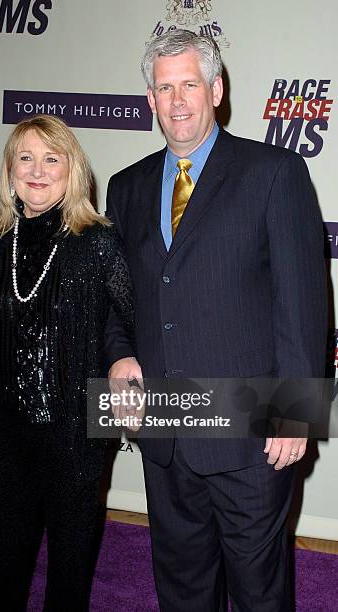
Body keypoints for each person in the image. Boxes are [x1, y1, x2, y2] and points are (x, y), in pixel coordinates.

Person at [106, 30, 327, 611]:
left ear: (216, 89)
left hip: (252, 432)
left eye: (189, 84)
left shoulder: (274, 172)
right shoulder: (125, 188)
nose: (177, 101)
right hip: (165, 432)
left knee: (259, 593)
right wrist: (117, 353)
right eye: (164, 88)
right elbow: (114, 298)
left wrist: (296, 411)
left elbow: (304, 300)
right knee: (182, 589)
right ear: (149, 99)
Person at [0, 114, 134, 611]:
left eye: (52, 159)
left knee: (69, 569)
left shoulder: (98, 243)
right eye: (25, 157)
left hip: (74, 435)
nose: (37, 170)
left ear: (72, 171)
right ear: (9, 170)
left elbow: (131, 325)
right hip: (4, 435)